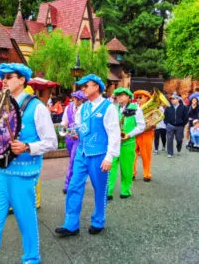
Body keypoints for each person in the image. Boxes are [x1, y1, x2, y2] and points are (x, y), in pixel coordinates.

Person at [0, 63, 57, 264]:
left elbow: (52, 142)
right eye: (3, 77)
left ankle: (32, 259)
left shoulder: (37, 107)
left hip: (23, 175)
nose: (4, 80)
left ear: (22, 80)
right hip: (0, 173)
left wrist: (27, 146)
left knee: (26, 221)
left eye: (9, 76)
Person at [55, 74, 120, 237]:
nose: (82, 89)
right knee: (74, 186)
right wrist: (69, 132)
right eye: (81, 86)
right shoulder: (83, 108)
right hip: (81, 153)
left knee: (100, 190)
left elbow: (114, 133)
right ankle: (71, 224)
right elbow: (80, 127)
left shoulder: (108, 107)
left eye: (86, 86)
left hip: (99, 155)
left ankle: (98, 221)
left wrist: (109, 157)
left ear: (96, 86)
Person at [108, 88, 145, 200]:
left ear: (128, 97)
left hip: (128, 143)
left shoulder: (136, 109)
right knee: (111, 167)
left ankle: (125, 190)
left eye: (122, 95)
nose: (119, 97)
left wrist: (129, 134)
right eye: (117, 95)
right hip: (114, 143)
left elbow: (141, 126)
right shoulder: (114, 108)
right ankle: (108, 191)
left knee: (127, 168)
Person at [60, 90, 86, 194]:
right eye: (75, 98)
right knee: (73, 158)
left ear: (82, 99)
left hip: (78, 138)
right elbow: (64, 121)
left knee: (73, 161)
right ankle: (78, 179)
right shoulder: (68, 107)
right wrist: (64, 128)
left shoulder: (85, 108)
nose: (76, 100)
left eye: (78, 98)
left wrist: (79, 133)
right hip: (69, 137)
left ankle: (68, 184)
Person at [132, 90, 154, 182]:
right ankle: (131, 173)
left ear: (147, 98)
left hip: (146, 133)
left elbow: (155, 123)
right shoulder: (134, 108)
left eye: (140, 97)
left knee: (146, 155)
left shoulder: (153, 109)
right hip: (135, 134)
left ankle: (147, 174)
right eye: (137, 97)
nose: (138, 99)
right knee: (132, 155)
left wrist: (149, 123)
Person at [164, 93, 188, 157]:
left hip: (180, 126)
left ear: (178, 99)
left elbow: (186, 117)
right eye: (171, 99)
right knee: (169, 140)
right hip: (170, 126)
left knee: (179, 139)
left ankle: (179, 146)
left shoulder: (183, 107)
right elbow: (165, 116)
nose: (172, 100)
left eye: (173, 99)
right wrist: (167, 124)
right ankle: (170, 153)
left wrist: (183, 125)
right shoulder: (168, 107)